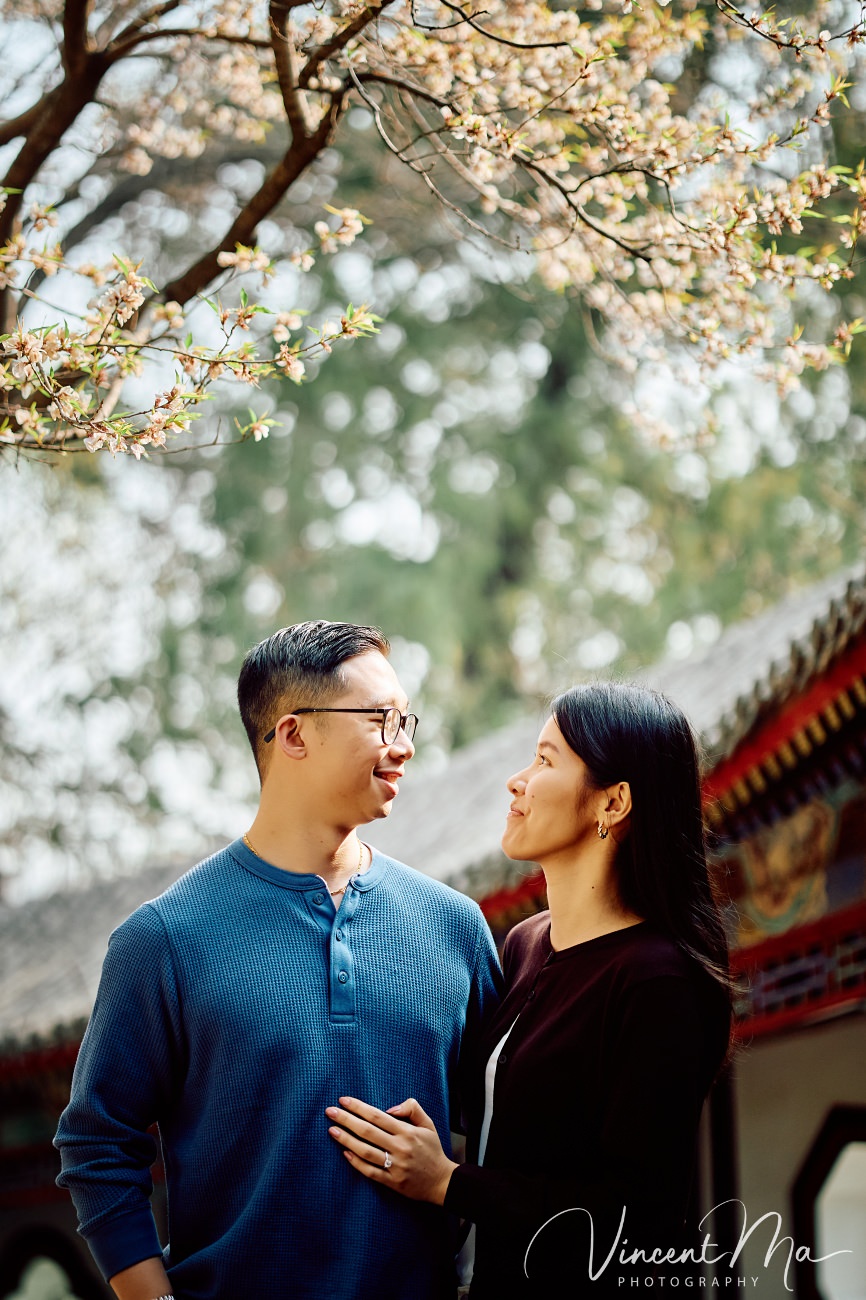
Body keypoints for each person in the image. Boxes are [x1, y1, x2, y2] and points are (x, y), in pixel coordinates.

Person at [54, 621, 501, 1300]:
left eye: (406, 719)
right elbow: (95, 1145)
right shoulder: (163, 940)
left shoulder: (455, 926)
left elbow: (514, 1136)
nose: (404, 744)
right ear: (293, 735)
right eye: (380, 720)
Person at [326, 681, 733, 1297]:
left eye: (545, 760)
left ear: (613, 803)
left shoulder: (658, 980)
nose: (516, 781)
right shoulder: (524, 943)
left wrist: (447, 1183)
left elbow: (636, 1219)